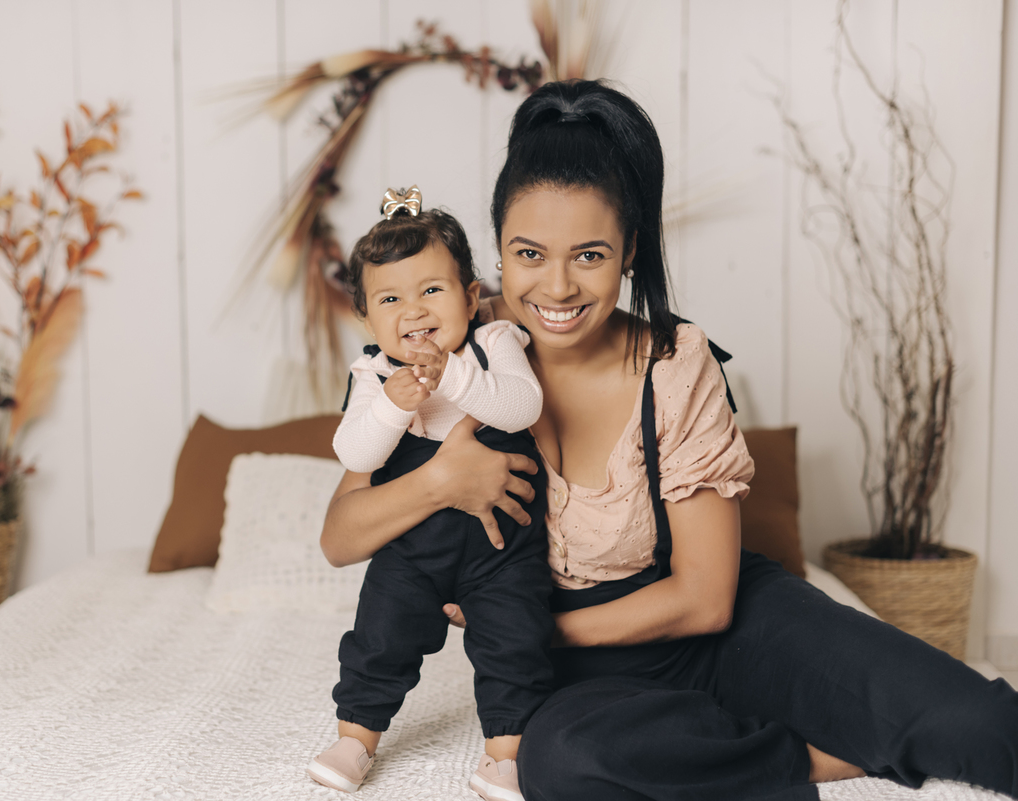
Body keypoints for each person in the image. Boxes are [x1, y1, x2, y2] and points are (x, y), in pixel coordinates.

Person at [321, 81, 1018, 801]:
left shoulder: (676, 363)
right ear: (496, 251)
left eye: (589, 255)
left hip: (728, 627)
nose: (556, 288)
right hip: (592, 680)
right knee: (564, 761)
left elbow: (706, 599)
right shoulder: (444, 348)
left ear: (629, 251)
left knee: (972, 720)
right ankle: (809, 755)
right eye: (529, 253)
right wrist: (441, 481)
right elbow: (341, 536)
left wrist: (528, 630)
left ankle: (817, 733)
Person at [308, 187, 555, 801]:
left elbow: (523, 405)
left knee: (516, 643)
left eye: (432, 290)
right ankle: (356, 739)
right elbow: (356, 456)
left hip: (502, 548)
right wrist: (391, 409)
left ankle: (505, 755)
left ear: (470, 298)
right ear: (367, 317)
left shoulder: (492, 344)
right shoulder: (374, 374)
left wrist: (456, 376)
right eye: (390, 298)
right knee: (379, 636)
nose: (414, 310)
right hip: (412, 552)